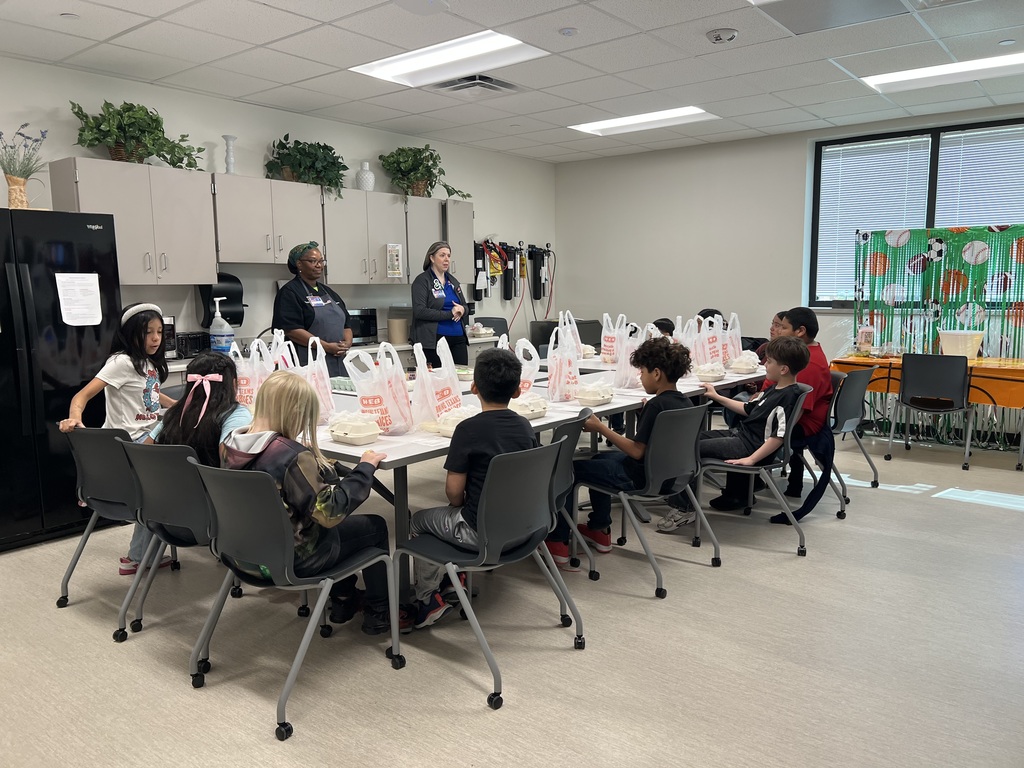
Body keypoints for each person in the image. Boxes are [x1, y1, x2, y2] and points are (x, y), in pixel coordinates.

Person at [220, 370, 405, 635]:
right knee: (375, 526)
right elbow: (330, 513)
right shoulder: (290, 455)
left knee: (326, 530)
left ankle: (343, 599)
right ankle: (379, 612)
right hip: (292, 561)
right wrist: (364, 468)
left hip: (242, 557)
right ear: (294, 411)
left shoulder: (230, 445)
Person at [408, 348, 537, 627]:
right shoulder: (526, 427)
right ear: (517, 392)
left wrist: (460, 508)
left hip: (482, 536)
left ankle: (427, 597)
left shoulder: (467, 430)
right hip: (527, 529)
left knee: (418, 519)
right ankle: (453, 579)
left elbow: (453, 494)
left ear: (474, 387)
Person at [546, 337, 694, 568]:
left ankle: (558, 542)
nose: (640, 376)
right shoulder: (683, 402)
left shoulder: (657, 406)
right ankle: (599, 529)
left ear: (656, 373)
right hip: (670, 476)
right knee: (598, 459)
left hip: (639, 476)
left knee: (568, 469)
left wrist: (600, 428)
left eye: (642, 371)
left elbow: (636, 451)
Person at [59, 303, 174, 575]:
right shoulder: (121, 362)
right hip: (131, 448)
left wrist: (178, 404)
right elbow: (82, 396)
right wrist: (75, 417)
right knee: (169, 482)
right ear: (131, 333)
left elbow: (152, 398)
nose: (156, 338)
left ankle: (141, 553)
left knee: (170, 470)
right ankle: (141, 555)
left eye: (159, 332)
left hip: (144, 442)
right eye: (148, 332)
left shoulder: (148, 363)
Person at [657, 336, 809, 529]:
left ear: (783, 369)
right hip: (741, 435)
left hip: (748, 445)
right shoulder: (776, 389)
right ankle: (677, 492)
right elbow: (748, 409)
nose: (764, 364)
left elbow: (778, 436)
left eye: (769, 361)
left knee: (687, 450)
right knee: (686, 441)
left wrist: (752, 459)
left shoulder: (787, 396)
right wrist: (716, 396)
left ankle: (685, 508)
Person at [146, 350, 252, 466]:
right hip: (212, 483)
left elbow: (143, 451)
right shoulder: (236, 414)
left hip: (169, 482)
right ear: (233, 383)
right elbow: (230, 464)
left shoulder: (176, 413)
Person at [770, 307, 834, 499]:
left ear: (800, 331)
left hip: (804, 422)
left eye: (783, 327)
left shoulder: (806, 363)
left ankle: (745, 485)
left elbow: (797, 409)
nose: (778, 331)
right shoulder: (807, 352)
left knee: (750, 423)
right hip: (802, 417)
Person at [272, 241, 353, 377]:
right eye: (313, 261)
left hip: (337, 361)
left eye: (321, 261)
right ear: (299, 264)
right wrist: (326, 347)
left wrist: (347, 343)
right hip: (307, 363)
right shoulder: (290, 292)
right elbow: (292, 330)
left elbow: (346, 323)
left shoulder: (328, 291)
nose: (319, 265)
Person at [411, 241, 469, 368]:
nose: (446, 259)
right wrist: (450, 314)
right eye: (442, 255)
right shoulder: (422, 281)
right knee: (437, 382)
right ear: (432, 258)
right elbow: (419, 311)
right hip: (433, 340)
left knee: (460, 379)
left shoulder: (453, 281)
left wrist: (462, 310)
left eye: (448, 255)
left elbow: (465, 306)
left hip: (458, 339)